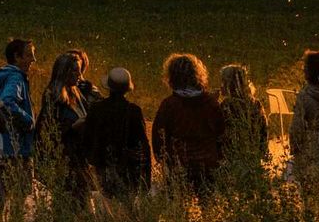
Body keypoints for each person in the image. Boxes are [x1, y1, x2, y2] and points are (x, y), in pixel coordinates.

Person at [152, 53, 225, 192]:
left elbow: (159, 137)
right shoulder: (211, 103)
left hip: (180, 166)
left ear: (172, 77)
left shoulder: (170, 105)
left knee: (180, 206)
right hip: (208, 165)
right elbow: (221, 134)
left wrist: (164, 161)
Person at [82, 68, 151, 196]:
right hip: (127, 169)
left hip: (102, 166)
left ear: (109, 87)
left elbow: (87, 139)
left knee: (105, 202)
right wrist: (146, 178)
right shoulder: (134, 111)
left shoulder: (97, 109)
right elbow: (143, 145)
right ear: (127, 89)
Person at [36, 52, 91, 199]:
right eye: (74, 70)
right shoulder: (53, 95)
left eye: (79, 69)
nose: (79, 74)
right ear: (64, 72)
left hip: (78, 158)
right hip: (64, 159)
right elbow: (46, 130)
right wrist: (72, 127)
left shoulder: (76, 92)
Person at [0, 38, 36, 160]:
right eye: (29, 55)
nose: (34, 60)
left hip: (1, 146)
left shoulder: (0, 76)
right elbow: (7, 102)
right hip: (16, 149)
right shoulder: (16, 77)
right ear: (17, 57)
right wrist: (29, 121)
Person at [219, 64, 268, 160]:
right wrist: (262, 152)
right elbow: (264, 130)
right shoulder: (255, 103)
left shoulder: (226, 106)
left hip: (231, 160)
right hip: (253, 158)